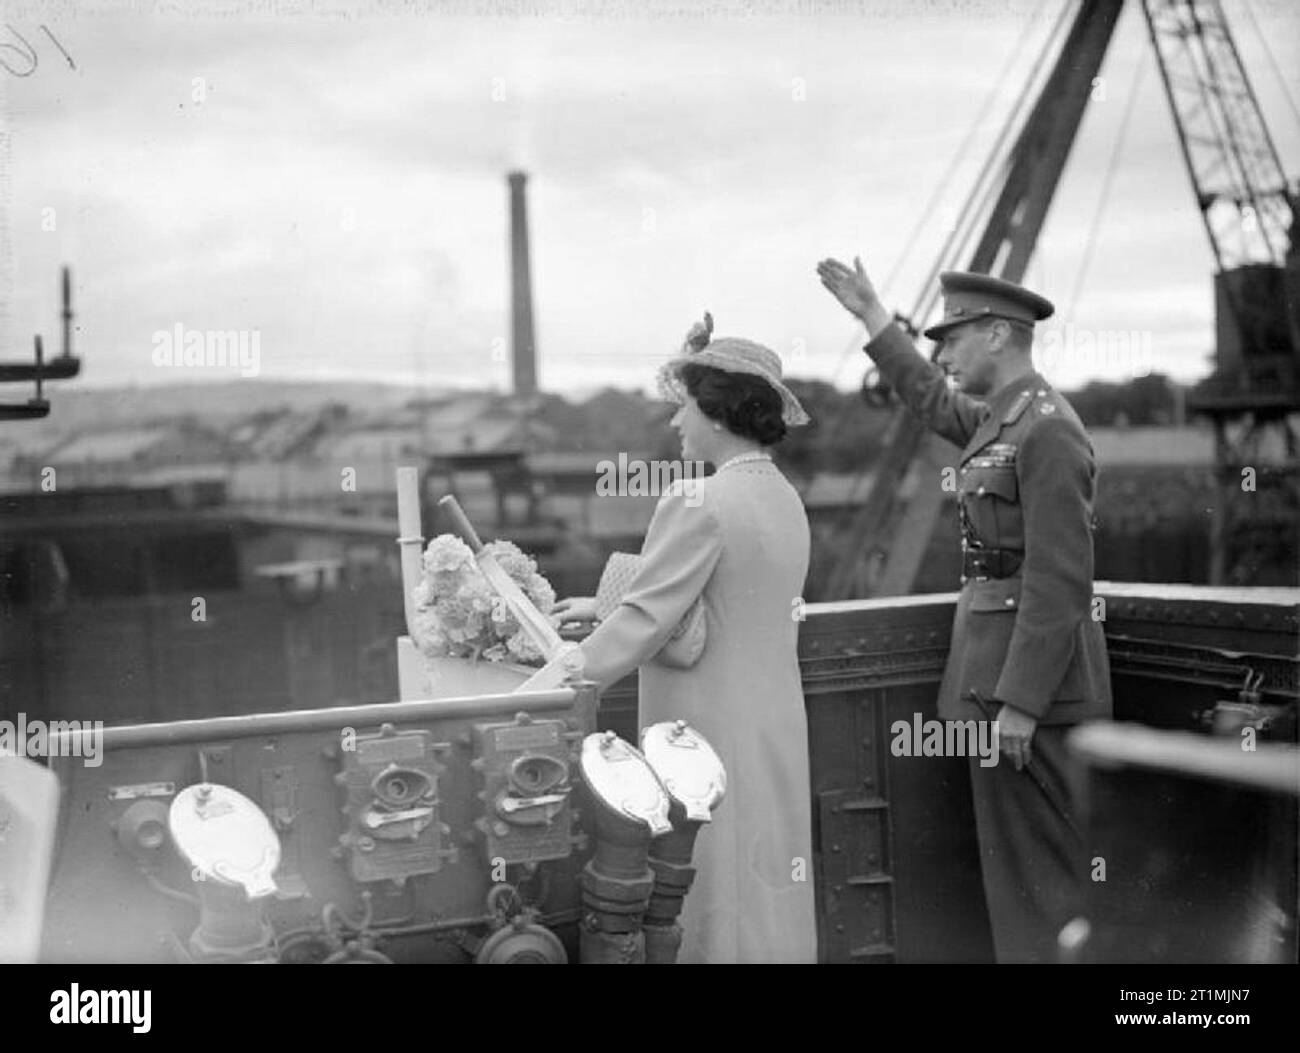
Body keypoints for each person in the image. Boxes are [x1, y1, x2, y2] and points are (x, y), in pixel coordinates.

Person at [817, 257, 1112, 963]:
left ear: (999, 336)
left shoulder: (1047, 431)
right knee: (1016, 879)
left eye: (952, 338)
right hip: (1001, 689)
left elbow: (1059, 577)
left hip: (1030, 701)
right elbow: (926, 396)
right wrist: (873, 318)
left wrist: (1019, 702)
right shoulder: (1005, 419)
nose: (942, 354)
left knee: (1041, 881)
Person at [552, 314, 817, 964]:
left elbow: (647, 621)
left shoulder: (696, 498)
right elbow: (718, 597)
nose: (676, 422)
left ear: (719, 413)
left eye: (687, 407)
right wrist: (601, 602)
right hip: (773, 726)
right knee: (765, 891)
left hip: (703, 736)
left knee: (707, 889)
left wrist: (553, 683)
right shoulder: (784, 499)